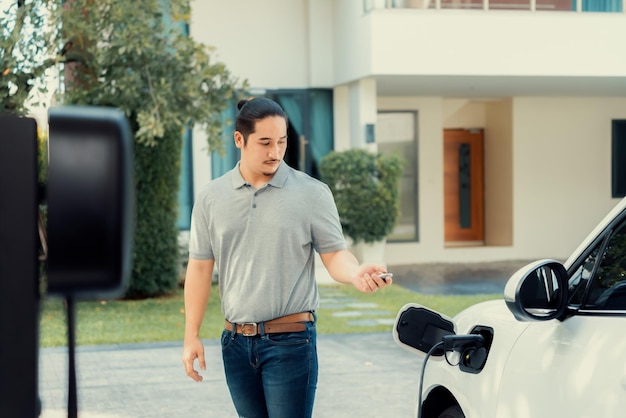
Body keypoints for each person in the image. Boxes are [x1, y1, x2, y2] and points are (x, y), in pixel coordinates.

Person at [181, 97, 392, 418]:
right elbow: (199, 267)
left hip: (291, 342)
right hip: (235, 343)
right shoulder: (212, 197)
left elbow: (335, 255)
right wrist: (191, 335)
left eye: (281, 142)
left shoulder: (311, 193)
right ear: (240, 140)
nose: (275, 152)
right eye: (265, 143)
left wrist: (356, 273)